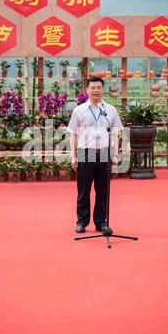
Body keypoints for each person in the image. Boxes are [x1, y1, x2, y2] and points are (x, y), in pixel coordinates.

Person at [67, 76, 124, 233]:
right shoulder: (79, 111)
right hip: (86, 154)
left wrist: (116, 154)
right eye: (92, 87)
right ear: (87, 90)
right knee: (83, 190)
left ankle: (101, 222)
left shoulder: (110, 110)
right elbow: (73, 134)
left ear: (103, 89)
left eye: (99, 87)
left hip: (105, 153)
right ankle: (82, 222)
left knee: (103, 190)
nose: (95, 90)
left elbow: (115, 133)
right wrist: (74, 156)